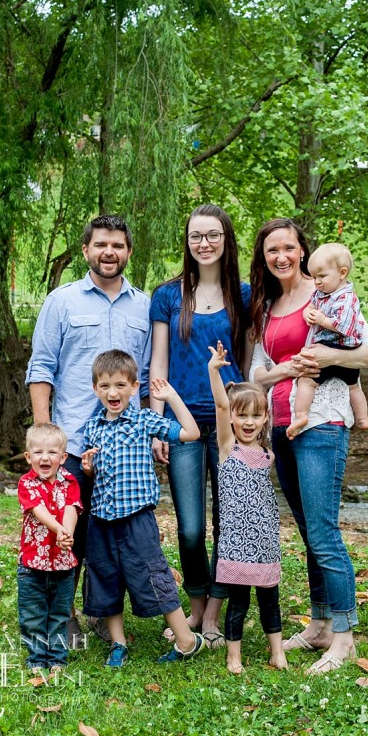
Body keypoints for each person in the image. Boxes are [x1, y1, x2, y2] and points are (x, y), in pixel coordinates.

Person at [246, 217, 368, 675]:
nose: (281, 256)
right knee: (307, 529)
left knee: (323, 532)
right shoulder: (267, 304)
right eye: (271, 250)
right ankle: (322, 622)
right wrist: (281, 373)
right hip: (282, 423)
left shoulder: (329, 292)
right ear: (263, 258)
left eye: (288, 247)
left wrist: (328, 357)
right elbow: (259, 373)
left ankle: (343, 637)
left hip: (322, 421)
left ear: (301, 251)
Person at [26, 213, 151, 647]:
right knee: (68, 532)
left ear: (128, 252)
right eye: (101, 244)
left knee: (111, 535)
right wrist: (45, 433)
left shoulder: (144, 305)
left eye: (117, 245)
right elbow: (41, 368)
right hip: (75, 443)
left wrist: (152, 434)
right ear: (86, 250)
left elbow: (148, 375)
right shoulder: (61, 301)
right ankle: (63, 614)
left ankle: (103, 613)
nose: (109, 252)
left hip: (125, 449)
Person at [149, 204, 251, 649]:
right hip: (183, 422)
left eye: (212, 235)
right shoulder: (168, 296)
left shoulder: (245, 295)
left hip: (231, 423)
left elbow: (246, 365)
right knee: (190, 527)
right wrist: (156, 423)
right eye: (196, 236)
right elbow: (158, 362)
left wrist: (252, 421)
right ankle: (195, 599)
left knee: (228, 521)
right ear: (187, 242)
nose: (204, 243)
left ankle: (212, 610)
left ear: (226, 241)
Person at [80, 350, 204, 667]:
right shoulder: (92, 427)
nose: (113, 392)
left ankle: (187, 640)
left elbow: (191, 433)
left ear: (134, 387)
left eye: (121, 385)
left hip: (137, 519)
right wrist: (88, 468)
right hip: (102, 519)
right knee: (105, 577)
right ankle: (117, 643)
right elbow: (93, 474)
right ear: (95, 389)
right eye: (105, 386)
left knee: (153, 575)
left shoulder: (143, 420)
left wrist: (172, 397)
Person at [207, 341, 287, 674]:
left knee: (270, 599)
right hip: (236, 544)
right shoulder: (229, 449)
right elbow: (222, 410)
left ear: (266, 417)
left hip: (264, 541)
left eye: (256, 415)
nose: (249, 422)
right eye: (243, 415)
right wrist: (214, 372)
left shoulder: (267, 454)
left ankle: (277, 652)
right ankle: (233, 655)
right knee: (238, 602)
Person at [17, 423, 81, 676]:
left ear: (63, 458)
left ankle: (57, 659)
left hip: (63, 564)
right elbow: (38, 510)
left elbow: (71, 508)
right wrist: (58, 530)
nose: (45, 457)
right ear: (28, 456)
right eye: (39, 452)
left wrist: (68, 533)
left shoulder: (69, 481)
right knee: (33, 615)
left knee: (59, 614)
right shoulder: (26, 483)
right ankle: (36, 658)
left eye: (53, 452)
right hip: (32, 565)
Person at [287, 242, 368, 438]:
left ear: (342, 273)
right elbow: (311, 305)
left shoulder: (347, 298)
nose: (317, 282)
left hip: (338, 347)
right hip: (340, 351)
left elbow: (346, 326)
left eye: (322, 276)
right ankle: (362, 419)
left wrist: (323, 320)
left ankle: (301, 415)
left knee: (307, 381)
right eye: (314, 277)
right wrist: (307, 312)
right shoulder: (322, 294)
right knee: (353, 385)